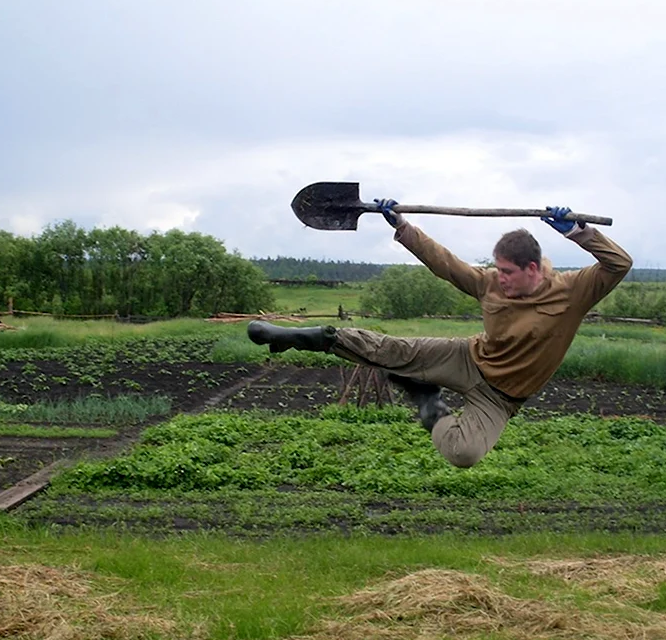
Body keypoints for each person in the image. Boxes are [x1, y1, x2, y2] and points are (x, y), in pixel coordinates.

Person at [248, 199, 633, 468]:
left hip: (502, 397)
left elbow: (619, 263)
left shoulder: (574, 291)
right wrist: (402, 226)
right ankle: (299, 336)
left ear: (532, 268)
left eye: (508, 272)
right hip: (468, 359)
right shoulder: (489, 284)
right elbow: (446, 264)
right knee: (392, 350)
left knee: (464, 454)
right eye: (497, 269)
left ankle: (429, 405)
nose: (499, 278)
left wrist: (580, 232)